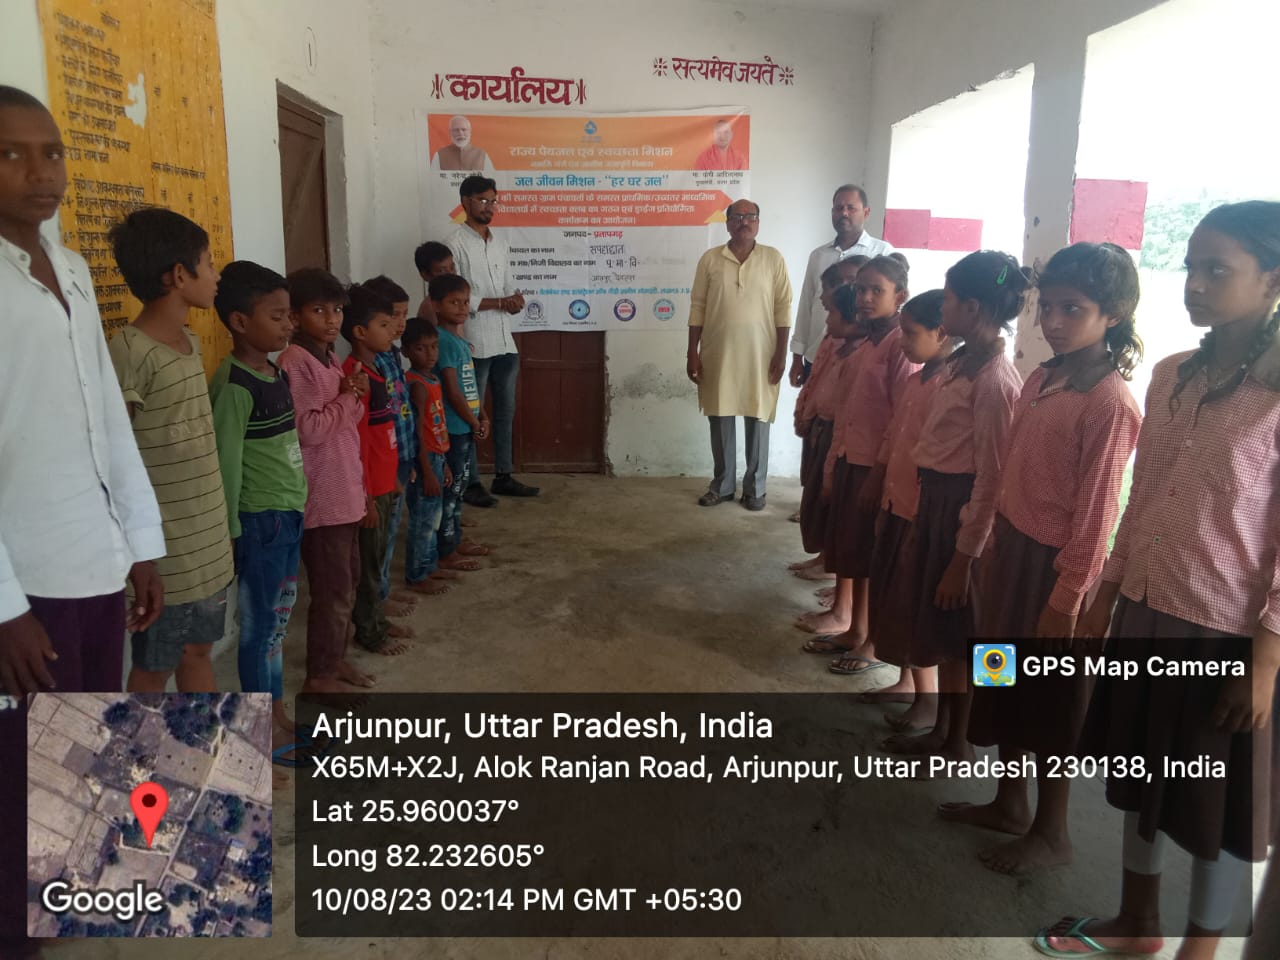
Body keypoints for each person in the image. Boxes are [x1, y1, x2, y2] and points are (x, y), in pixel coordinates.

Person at [1035, 201, 1280, 960]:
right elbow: (1141, 497)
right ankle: (1137, 922)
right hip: (1145, 606)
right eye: (1192, 267)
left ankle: (1198, 951)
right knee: (1142, 780)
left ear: (1272, 280)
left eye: (1218, 270)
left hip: (1224, 633)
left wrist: (1265, 660)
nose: (1195, 284)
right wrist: (1107, 592)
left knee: (1213, 811)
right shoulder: (1174, 375)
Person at [0, 85, 163, 959]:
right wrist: (4, 608)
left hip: (95, 558)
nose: (41, 172)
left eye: (53, 151)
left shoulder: (65, 268)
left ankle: (63, 892)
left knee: (88, 742)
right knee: (22, 764)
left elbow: (107, 420)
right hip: (27, 580)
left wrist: (140, 545)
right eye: (11, 154)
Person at [942, 242, 1143, 876]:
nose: (1053, 322)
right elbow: (1011, 470)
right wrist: (990, 542)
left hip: (1054, 573)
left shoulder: (1110, 402)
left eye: (1072, 309)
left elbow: (1099, 516)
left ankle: (1052, 832)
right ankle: (1009, 802)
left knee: (1052, 702)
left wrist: (1069, 598)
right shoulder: (1041, 377)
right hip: (1011, 554)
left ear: (1113, 315)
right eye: (1046, 307)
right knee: (1003, 681)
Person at [879, 250, 1026, 762]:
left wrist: (964, 558)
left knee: (968, 638)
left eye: (947, 299)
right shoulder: (962, 365)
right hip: (938, 507)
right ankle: (943, 731)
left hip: (964, 519)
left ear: (973, 308)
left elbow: (992, 478)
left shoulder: (995, 382)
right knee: (941, 632)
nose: (942, 309)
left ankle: (960, 743)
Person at [107, 207, 234, 694]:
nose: (216, 275)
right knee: (155, 668)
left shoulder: (191, 342)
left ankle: (206, 740)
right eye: (209, 264)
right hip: (166, 557)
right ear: (179, 275)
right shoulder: (130, 351)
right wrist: (139, 557)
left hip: (207, 545)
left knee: (197, 652)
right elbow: (114, 458)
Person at [209, 260, 311, 783]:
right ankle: (258, 730)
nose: (288, 324)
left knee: (277, 626)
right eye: (277, 316)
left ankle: (276, 714)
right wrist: (229, 533)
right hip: (259, 522)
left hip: (288, 514)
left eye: (289, 314)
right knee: (258, 631)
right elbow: (225, 466)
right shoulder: (234, 385)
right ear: (239, 321)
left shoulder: (276, 372)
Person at [809, 258, 919, 669]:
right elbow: (848, 409)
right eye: (861, 289)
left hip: (876, 468)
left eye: (877, 290)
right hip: (851, 459)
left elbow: (900, 419)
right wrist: (833, 463)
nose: (865, 298)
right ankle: (855, 630)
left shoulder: (900, 346)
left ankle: (870, 642)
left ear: (900, 295)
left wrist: (880, 475)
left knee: (871, 557)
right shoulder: (868, 342)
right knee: (854, 550)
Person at [278, 268, 375, 693]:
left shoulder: (329, 358)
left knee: (347, 583)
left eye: (336, 309)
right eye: (319, 310)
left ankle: (335, 659)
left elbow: (348, 418)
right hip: (322, 497)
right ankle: (319, 675)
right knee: (332, 591)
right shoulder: (295, 362)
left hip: (345, 490)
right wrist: (349, 396)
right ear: (295, 316)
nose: (332, 319)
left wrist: (351, 396)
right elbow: (309, 429)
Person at [861, 289, 952, 729]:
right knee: (898, 603)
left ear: (942, 333)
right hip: (898, 503)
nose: (902, 342)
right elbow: (895, 435)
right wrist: (880, 480)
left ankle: (931, 703)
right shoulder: (919, 380)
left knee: (923, 613)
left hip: (923, 513)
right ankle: (908, 683)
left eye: (911, 334)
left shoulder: (951, 386)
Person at [687, 198, 793, 510]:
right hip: (718, 352)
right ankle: (722, 486)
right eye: (737, 216)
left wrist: (781, 354)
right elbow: (698, 307)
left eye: (750, 216)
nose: (744, 221)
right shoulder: (710, 259)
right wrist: (692, 351)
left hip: (762, 354)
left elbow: (783, 307)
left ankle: (755, 489)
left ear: (758, 222)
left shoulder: (773, 258)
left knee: (758, 416)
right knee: (720, 416)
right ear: (727, 222)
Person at [447, 175, 539, 505]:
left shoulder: (499, 242)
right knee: (471, 413)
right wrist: (500, 302)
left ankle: (503, 475)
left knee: (504, 413)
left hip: (504, 341)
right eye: (483, 200)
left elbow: (509, 284)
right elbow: (455, 297)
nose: (490, 207)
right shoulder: (453, 244)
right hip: (474, 342)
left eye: (493, 201)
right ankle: (471, 482)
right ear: (465, 202)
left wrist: (515, 299)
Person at [341, 281, 413, 655]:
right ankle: (368, 632)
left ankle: (378, 620)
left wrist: (394, 479)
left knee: (379, 557)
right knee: (368, 568)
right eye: (384, 325)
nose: (392, 331)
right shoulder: (355, 377)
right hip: (370, 491)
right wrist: (367, 496)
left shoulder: (376, 370)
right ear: (359, 331)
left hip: (385, 483)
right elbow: (358, 444)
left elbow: (384, 435)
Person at [792, 258, 869, 577]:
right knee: (816, 498)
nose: (823, 305)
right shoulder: (833, 341)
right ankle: (824, 558)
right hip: (821, 427)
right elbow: (817, 380)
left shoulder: (860, 351)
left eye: (831, 308)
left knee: (834, 505)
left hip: (843, 439)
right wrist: (805, 411)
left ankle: (833, 571)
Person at [789, 185, 896, 388]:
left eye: (851, 208)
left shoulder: (883, 253)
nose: (844, 213)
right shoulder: (819, 255)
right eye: (838, 208)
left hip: (861, 360)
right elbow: (806, 305)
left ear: (866, 212)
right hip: (816, 355)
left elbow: (891, 312)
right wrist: (797, 358)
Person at [362, 274, 420, 618]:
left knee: (391, 530)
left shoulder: (392, 355)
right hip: (386, 459)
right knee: (380, 537)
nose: (400, 324)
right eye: (393, 317)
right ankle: (377, 599)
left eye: (403, 315)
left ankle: (382, 591)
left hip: (401, 451)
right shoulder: (372, 362)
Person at [431, 274, 491, 571]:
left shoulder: (459, 341)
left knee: (459, 488)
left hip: (466, 425)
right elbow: (453, 392)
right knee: (451, 491)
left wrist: (482, 415)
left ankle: (455, 539)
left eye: (465, 302)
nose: (462, 308)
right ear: (436, 305)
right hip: (454, 429)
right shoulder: (442, 342)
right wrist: (473, 421)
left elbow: (470, 388)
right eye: (453, 302)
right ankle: (445, 549)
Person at [402, 318, 455, 594]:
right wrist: (427, 471)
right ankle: (417, 574)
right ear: (406, 351)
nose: (430, 353)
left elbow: (435, 427)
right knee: (423, 521)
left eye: (434, 346)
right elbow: (417, 433)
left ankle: (430, 565)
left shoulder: (432, 379)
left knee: (433, 519)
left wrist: (442, 465)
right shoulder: (417, 385)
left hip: (437, 457)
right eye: (421, 348)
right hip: (426, 460)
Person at [430, 115, 495, 173]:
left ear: (470, 131)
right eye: (456, 130)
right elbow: (433, 180)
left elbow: (491, 179)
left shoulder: (482, 155)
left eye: (464, 129)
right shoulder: (439, 155)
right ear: (450, 132)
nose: (460, 133)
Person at [414, 240, 456, 322]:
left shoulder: (453, 299)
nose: (450, 274)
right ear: (425, 275)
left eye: (452, 268)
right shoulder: (431, 307)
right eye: (441, 270)